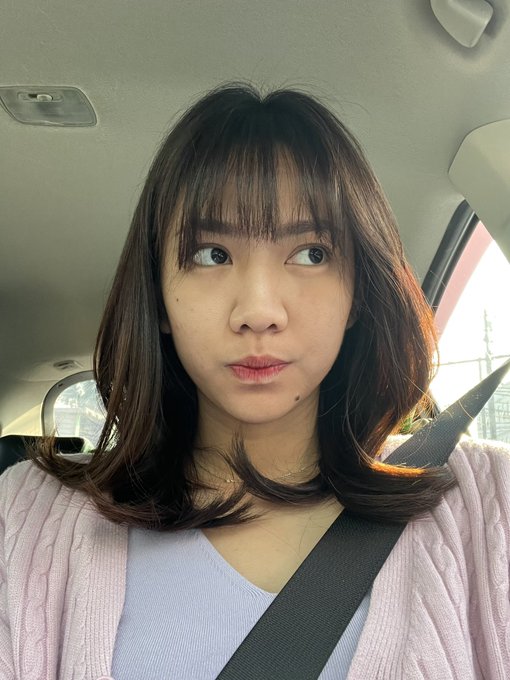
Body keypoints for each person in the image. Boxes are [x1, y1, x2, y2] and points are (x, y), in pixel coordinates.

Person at [1, 81, 509, 680]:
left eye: (312, 253)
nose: (260, 311)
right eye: (212, 254)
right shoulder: (25, 521)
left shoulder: (487, 504)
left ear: (357, 293)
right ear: (159, 297)